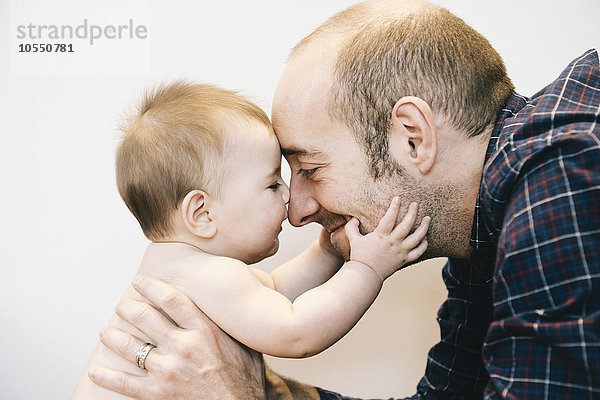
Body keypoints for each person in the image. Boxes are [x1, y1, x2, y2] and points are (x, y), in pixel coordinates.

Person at [88, 0, 600, 398]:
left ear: (413, 137)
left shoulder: (559, 181)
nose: (298, 208)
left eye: (310, 168)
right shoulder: (484, 223)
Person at [72, 81, 430, 399]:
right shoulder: (206, 276)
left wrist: (326, 250)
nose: (289, 194)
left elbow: (273, 291)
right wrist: (368, 268)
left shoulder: (180, 269)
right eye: (272, 183)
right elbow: (296, 332)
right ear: (202, 213)